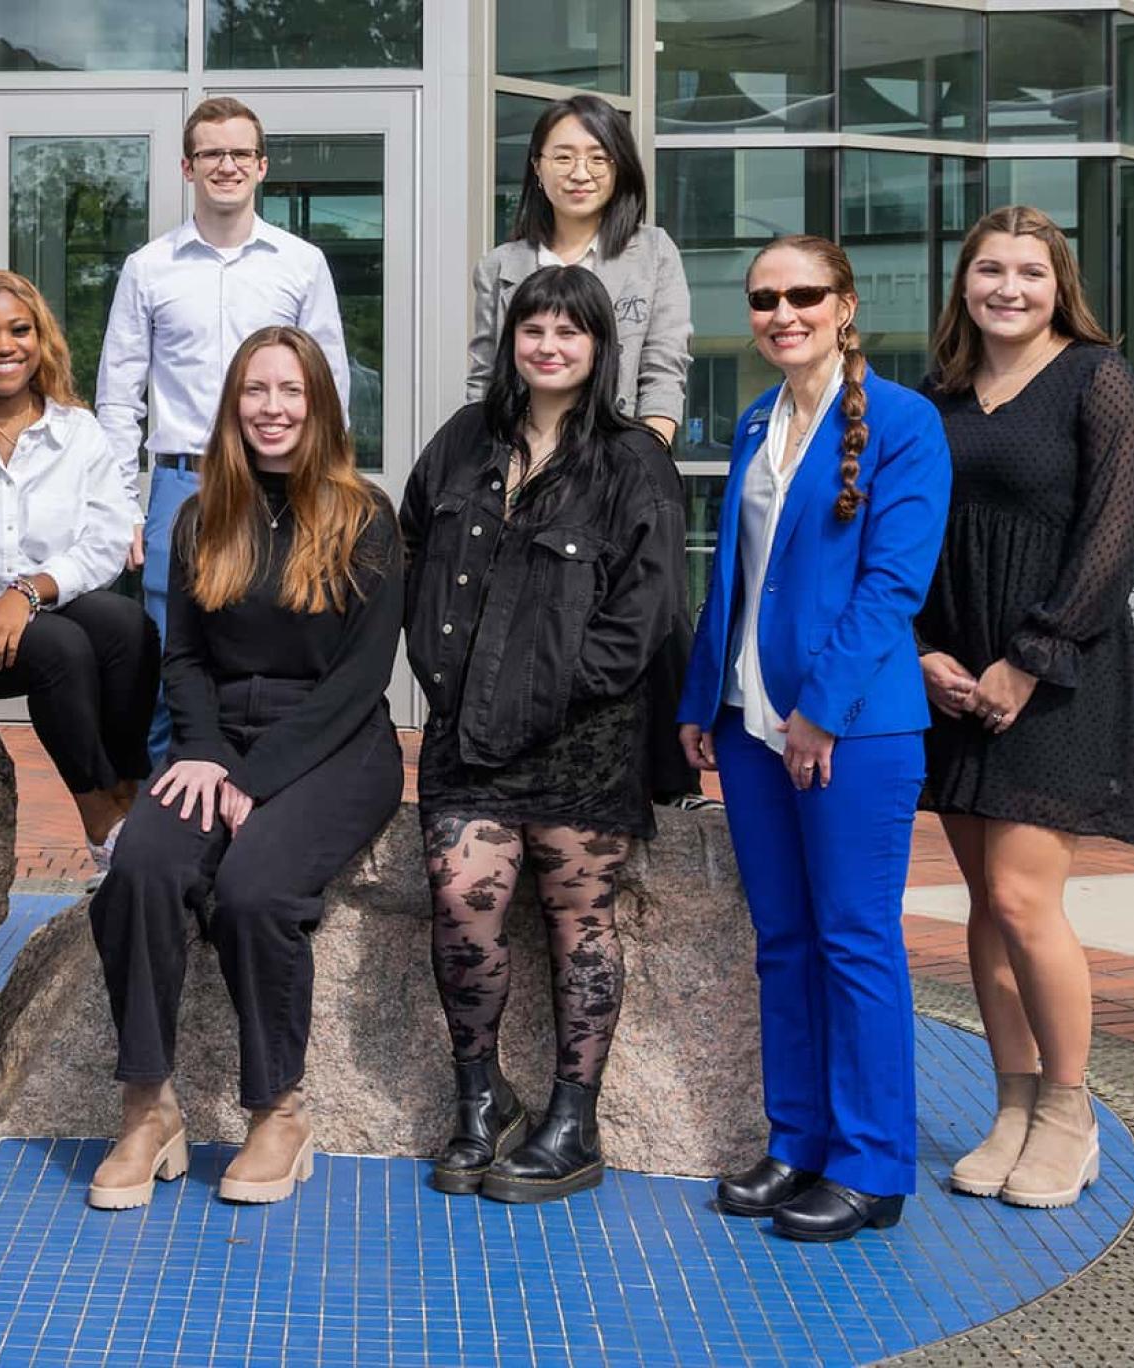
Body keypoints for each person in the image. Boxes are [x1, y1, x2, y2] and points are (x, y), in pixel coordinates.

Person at [84, 327, 403, 1212]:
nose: (273, 409)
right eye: (256, 391)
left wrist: (254, 778)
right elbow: (182, 659)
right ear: (232, 406)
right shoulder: (200, 517)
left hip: (332, 743)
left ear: (320, 405)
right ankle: (148, 1109)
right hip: (215, 739)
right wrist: (210, 754)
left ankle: (278, 1113)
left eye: (291, 391)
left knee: (257, 892)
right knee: (141, 870)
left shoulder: (365, 515)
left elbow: (362, 678)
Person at [676, 235, 951, 1243]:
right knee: (781, 944)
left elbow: (891, 585)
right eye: (762, 298)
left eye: (801, 295)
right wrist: (701, 697)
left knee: (854, 942)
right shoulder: (756, 420)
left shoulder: (905, 425)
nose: (779, 312)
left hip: (852, 730)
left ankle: (870, 1165)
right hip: (748, 727)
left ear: (843, 305)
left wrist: (819, 710)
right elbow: (733, 579)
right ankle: (795, 1142)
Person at [405, 266, 687, 1202]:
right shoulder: (460, 443)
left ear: (600, 347)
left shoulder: (633, 463)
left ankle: (574, 1117)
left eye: (571, 332)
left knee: (581, 922)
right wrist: (446, 682)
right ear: (512, 341)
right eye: (535, 330)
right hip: (467, 739)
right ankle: (481, 1098)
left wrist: (545, 696)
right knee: (461, 903)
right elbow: (411, 556)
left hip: (586, 738)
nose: (551, 347)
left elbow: (641, 620)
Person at [916, 205, 1134, 1211]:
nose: (1005, 288)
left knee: (1023, 900)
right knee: (982, 905)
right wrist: (921, 648)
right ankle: (1010, 1107)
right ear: (962, 285)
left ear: (1057, 284)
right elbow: (915, 534)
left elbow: (1111, 532)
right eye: (987, 271)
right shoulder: (936, 399)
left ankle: (1069, 1114)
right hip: (955, 676)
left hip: (1053, 673)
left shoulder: (1095, 379)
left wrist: (1030, 656)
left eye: (1026, 272)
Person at [97, 96, 350, 769]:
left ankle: (253, 821)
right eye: (212, 153)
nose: (227, 165)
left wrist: (328, 487)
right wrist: (121, 504)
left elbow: (329, 390)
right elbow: (119, 397)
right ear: (188, 166)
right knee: (166, 668)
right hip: (181, 485)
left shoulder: (300, 265)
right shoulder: (149, 268)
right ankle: (162, 842)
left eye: (241, 153)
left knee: (268, 652)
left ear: (262, 165)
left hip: (282, 486)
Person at [467, 93, 701, 812]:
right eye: (563, 156)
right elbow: (486, 373)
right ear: (536, 168)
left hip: (623, 464)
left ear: (620, 168)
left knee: (646, 615)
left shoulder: (651, 251)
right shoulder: (502, 265)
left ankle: (670, 779)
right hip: (526, 464)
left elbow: (665, 365)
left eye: (598, 157)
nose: (580, 172)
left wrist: (642, 456)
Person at [0, 271, 156, 872]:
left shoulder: (77, 431)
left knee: (128, 627)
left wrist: (29, 590)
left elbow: (109, 536)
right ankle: (98, 819)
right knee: (60, 644)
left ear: (41, 339)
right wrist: (9, 598)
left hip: (32, 605)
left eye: (19, 330)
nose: (4, 346)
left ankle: (129, 797)